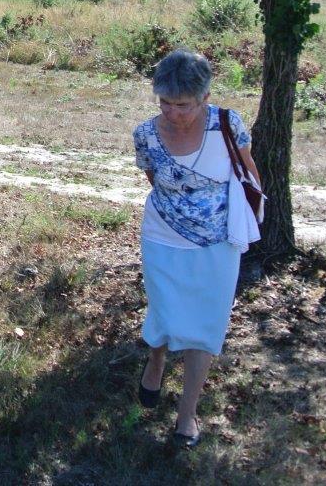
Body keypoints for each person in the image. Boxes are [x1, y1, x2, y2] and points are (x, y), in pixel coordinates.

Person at [132, 49, 261, 448]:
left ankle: (187, 417)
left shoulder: (227, 123)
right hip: (163, 237)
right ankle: (156, 360)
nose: (172, 112)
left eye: (182, 105)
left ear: (205, 97)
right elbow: (155, 179)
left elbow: (249, 172)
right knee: (166, 312)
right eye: (165, 103)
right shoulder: (145, 134)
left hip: (220, 242)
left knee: (206, 325)